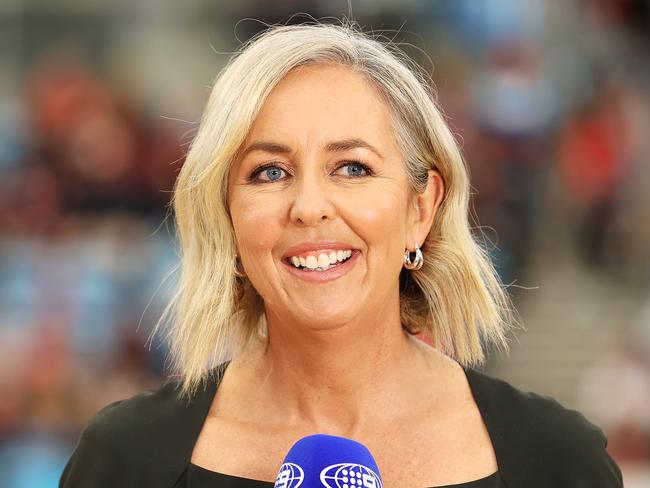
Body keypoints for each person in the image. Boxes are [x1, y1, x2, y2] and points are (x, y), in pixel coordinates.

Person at [59, 23, 623, 487]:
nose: (308, 207)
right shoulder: (123, 460)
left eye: (352, 168)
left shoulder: (559, 461)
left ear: (420, 209)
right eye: (269, 172)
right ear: (228, 215)